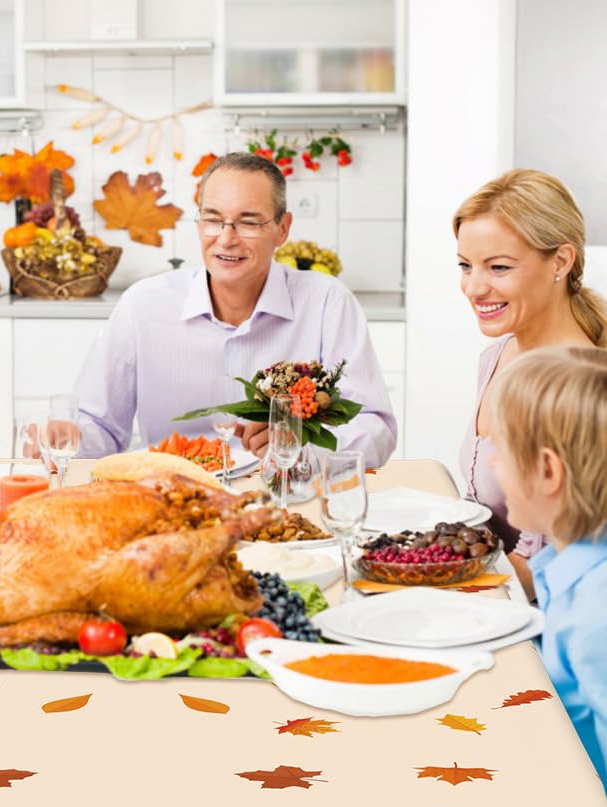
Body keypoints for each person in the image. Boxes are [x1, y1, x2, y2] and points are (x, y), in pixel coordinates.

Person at [72, 152, 397, 468]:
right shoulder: (143, 304)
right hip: (169, 498)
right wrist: (67, 439)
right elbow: (100, 427)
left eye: (248, 222)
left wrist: (302, 449)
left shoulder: (328, 303)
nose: (226, 239)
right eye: (213, 220)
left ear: (282, 229)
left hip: (286, 495)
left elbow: (375, 427)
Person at [454, 169, 607, 596]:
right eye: (466, 266)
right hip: (491, 595)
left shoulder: (578, 390)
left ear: (560, 261)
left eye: (498, 267)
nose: (474, 287)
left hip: (537, 628)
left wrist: (434, 568)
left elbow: (545, 570)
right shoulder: (497, 356)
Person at [487, 347, 607, 791]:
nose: (493, 463)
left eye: (500, 449)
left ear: (548, 471)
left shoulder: (596, 617)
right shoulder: (565, 565)